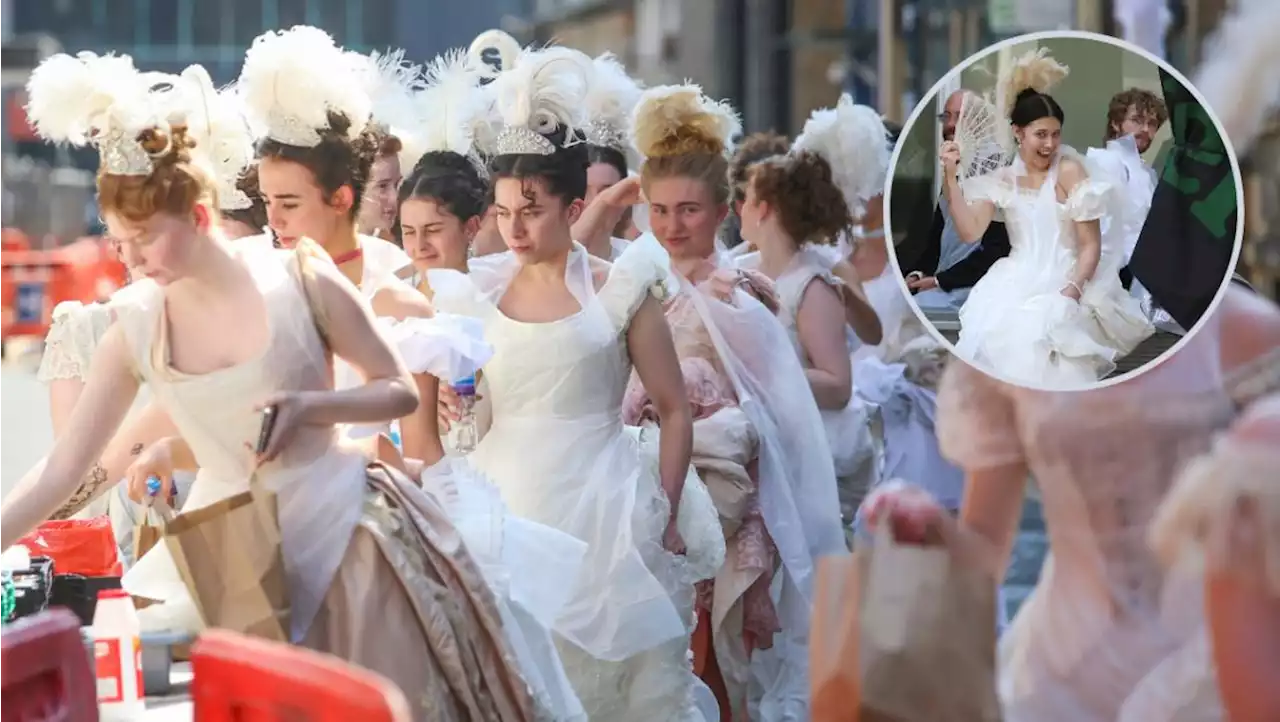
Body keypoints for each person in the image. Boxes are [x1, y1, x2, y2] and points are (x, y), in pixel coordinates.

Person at [1, 40, 538, 721]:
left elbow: (397, 389)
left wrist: (312, 407)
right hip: (225, 551)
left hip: (343, 538)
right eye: (117, 242)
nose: (130, 261)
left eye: (143, 239)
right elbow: (63, 469)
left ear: (198, 217)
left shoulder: (300, 278)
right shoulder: (135, 325)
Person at [428, 46, 724, 721]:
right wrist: (458, 408)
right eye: (503, 212)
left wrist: (666, 509)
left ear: (575, 204)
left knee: (610, 689)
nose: (516, 228)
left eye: (530, 209)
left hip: (604, 506)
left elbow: (674, 409)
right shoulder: (472, 296)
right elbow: (467, 423)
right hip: (502, 505)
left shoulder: (621, 288)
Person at [944, 49, 1154, 388]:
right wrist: (950, 178)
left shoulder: (1069, 171)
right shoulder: (1002, 179)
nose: (1050, 143)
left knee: (1043, 348)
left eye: (1056, 134)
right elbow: (970, 232)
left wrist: (1070, 292)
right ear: (1018, 133)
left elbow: (1090, 246)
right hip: (1013, 281)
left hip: (1066, 278)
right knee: (996, 343)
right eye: (1041, 134)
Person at [904, 89, 1012, 311]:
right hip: (944, 287)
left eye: (960, 116)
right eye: (946, 116)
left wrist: (939, 281)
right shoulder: (954, 171)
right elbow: (935, 242)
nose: (951, 125)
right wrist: (917, 275)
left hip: (975, 293)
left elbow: (997, 251)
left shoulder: (997, 173)